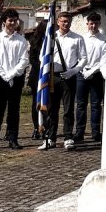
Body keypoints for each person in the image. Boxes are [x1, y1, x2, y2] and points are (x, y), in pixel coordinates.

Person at [0, 9, 30, 151]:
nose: (13, 23)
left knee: (14, 110)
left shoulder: (21, 40)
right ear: (4, 22)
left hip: (16, 79)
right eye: (10, 20)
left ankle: (12, 139)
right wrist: (5, 75)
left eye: (15, 20)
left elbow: (24, 61)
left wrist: (12, 75)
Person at [40, 12, 85, 150]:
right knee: (52, 109)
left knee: (68, 108)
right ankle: (51, 137)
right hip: (53, 76)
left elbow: (83, 58)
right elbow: (43, 56)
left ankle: (68, 137)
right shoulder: (51, 38)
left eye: (68, 21)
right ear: (58, 22)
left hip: (69, 76)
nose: (65, 24)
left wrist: (73, 71)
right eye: (63, 21)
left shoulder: (77, 38)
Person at [70, 11, 106, 148]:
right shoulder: (82, 39)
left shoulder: (104, 39)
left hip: (96, 74)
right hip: (82, 73)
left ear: (99, 24)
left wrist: (92, 71)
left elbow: (104, 59)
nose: (93, 26)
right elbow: (78, 56)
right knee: (80, 104)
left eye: (96, 23)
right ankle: (79, 132)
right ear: (87, 24)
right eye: (91, 23)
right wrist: (83, 69)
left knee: (96, 105)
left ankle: (96, 132)